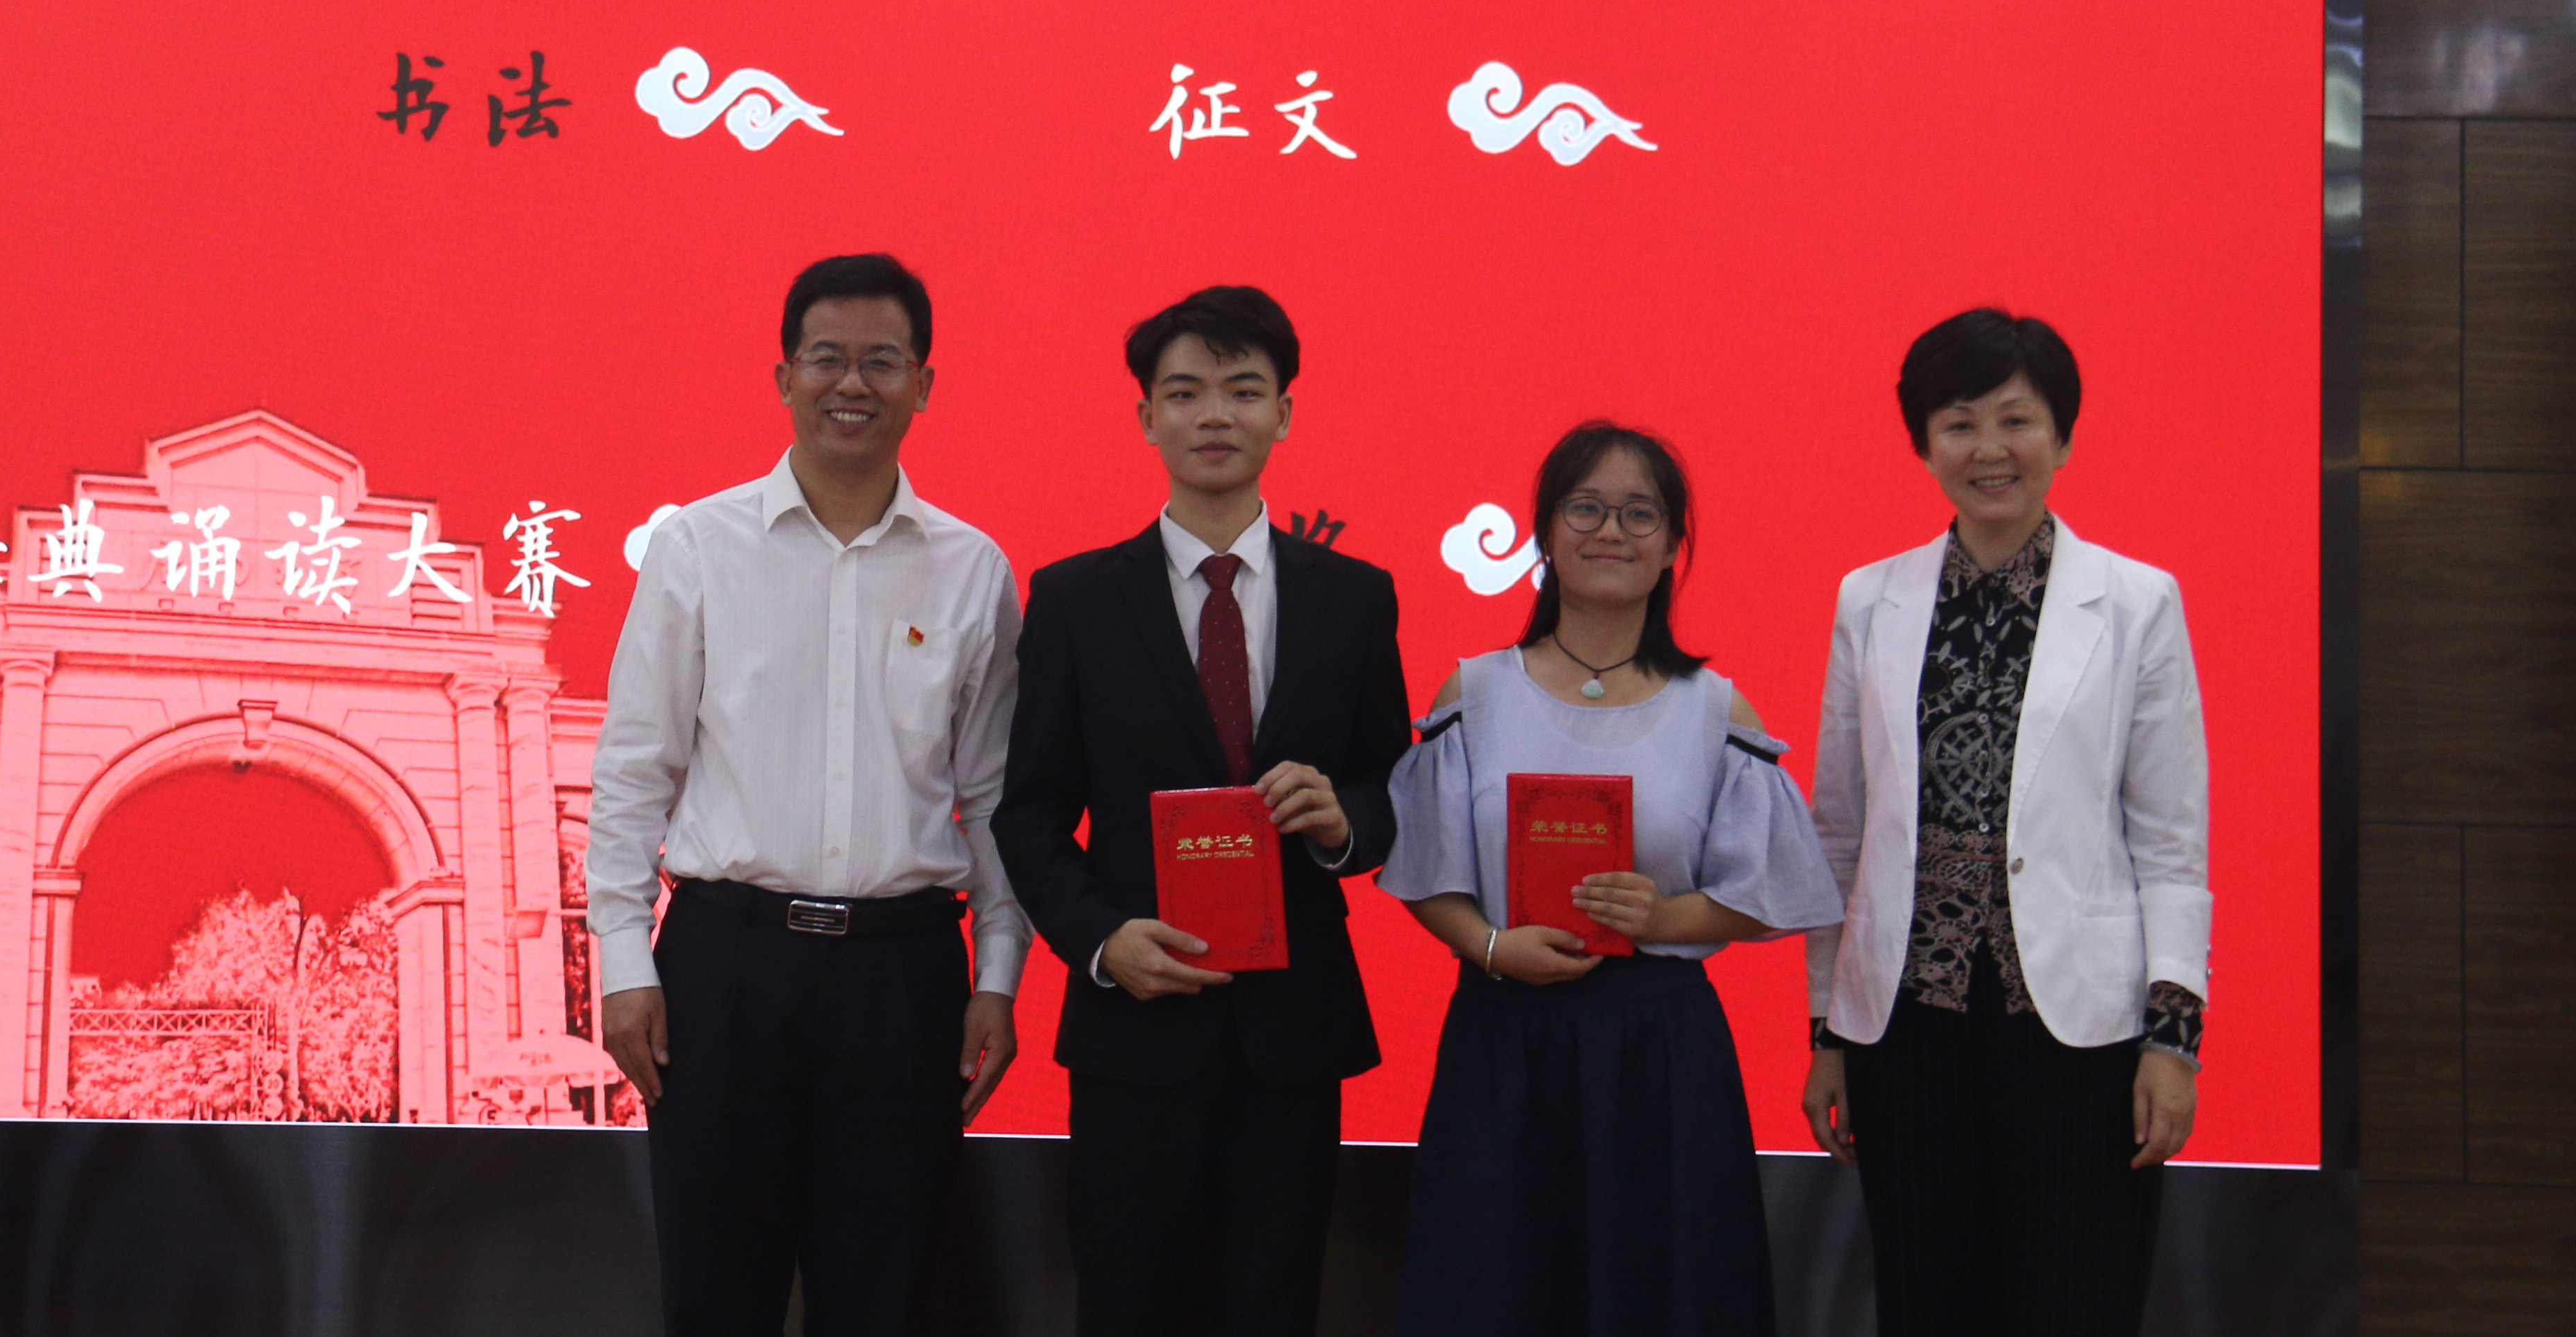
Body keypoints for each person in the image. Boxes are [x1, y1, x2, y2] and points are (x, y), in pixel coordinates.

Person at [587, 252, 1029, 1337]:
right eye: (827, 358)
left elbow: (991, 798)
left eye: (883, 362)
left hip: (904, 980)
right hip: (725, 974)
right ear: (784, 376)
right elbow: (636, 771)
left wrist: (999, 974)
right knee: (716, 1297)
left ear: (924, 385)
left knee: (885, 1298)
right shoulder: (698, 546)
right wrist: (625, 963)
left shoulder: (973, 569)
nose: (852, 384)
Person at [994, 286, 1414, 1337]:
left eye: (1243, 390)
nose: (1214, 415)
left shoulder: (1353, 597)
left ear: (1285, 413)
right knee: (1129, 1304)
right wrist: (1102, 941)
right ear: (1148, 417)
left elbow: (1393, 789)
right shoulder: (1077, 600)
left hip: (1294, 1032)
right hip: (1135, 1027)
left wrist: (1344, 822)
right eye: (1185, 393)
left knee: (1273, 1305)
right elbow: (1029, 815)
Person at [1797, 308, 2211, 1337]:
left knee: (2075, 1300)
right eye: (1959, 424)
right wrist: (1829, 1031)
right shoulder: (1870, 599)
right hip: (1907, 1024)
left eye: (2017, 420)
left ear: (2061, 436)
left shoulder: (2137, 603)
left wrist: (2174, 1041)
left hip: (2078, 1031)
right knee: (1927, 1304)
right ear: (1925, 445)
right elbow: (1840, 835)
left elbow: (2170, 844)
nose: (1990, 449)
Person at [1380, 421, 1841, 1337]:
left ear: (1672, 547)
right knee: (1494, 1286)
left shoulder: (1713, 708)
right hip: (1504, 1037)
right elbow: (1427, 868)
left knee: (1663, 1289)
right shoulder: (1474, 693)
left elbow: (1770, 892)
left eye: (1640, 514)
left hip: (1658, 1045)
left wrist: (1667, 917)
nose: (1610, 532)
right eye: (1585, 508)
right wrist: (1490, 947)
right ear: (1545, 534)